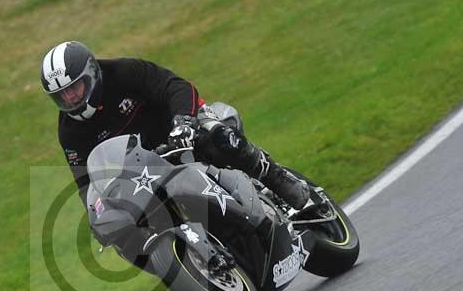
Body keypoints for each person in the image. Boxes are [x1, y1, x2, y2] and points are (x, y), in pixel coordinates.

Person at [40, 40, 310, 212]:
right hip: (148, 166)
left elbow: (174, 86)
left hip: (182, 130)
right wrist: (99, 208)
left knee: (218, 136)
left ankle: (276, 178)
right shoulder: (69, 132)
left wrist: (183, 121)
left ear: (92, 73)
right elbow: (85, 180)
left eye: (75, 87)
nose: (71, 97)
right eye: (62, 95)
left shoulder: (123, 72)